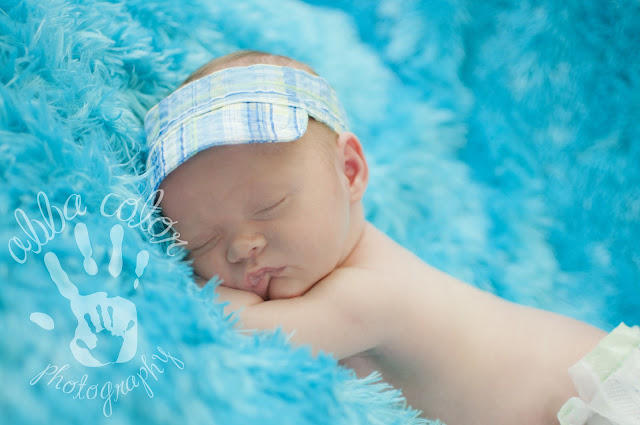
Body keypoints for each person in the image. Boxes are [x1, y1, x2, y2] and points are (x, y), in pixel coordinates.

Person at [144, 50, 634, 425]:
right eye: (201, 242)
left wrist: (197, 290)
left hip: (601, 398)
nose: (240, 247)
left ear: (350, 171)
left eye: (269, 207)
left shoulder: (368, 295)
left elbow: (241, 329)